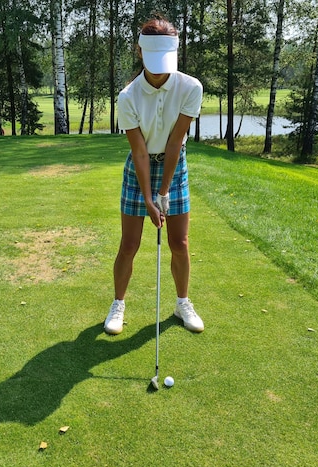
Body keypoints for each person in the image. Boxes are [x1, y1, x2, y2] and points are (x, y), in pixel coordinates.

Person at [104, 17, 204, 335]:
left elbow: (175, 142)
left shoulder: (191, 87)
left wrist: (163, 192)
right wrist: (149, 198)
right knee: (130, 244)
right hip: (140, 167)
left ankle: (182, 303)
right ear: (139, 52)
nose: (160, 70)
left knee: (179, 241)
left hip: (175, 164)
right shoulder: (128, 97)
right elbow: (140, 152)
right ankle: (118, 304)